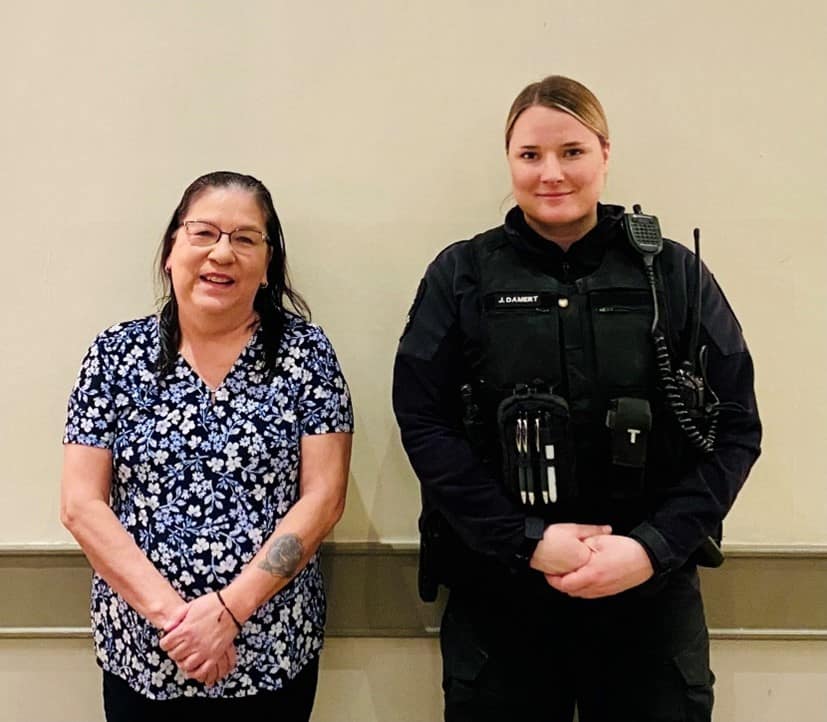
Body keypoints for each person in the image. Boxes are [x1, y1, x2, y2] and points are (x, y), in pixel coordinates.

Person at [392, 76, 761, 721]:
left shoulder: (672, 273)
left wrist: (651, 548)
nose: (551, 173)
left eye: (572, 151)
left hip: (648, 599)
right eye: (530, 155)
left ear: (605, 154)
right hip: (503, 600)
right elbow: (424, 423)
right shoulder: (462, 275)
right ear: (509, 160)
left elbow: (735, 430)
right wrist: (524, 540)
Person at [61, 171, 353, 721]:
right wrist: (179, 622)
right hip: (146, 652)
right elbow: (81, 505)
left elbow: (324, 497)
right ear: (171, 249)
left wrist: (227, 613)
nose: (223, 252)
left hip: (271, 649)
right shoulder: (114, 355)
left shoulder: (306, 355)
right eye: (203, 233)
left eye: (245, 239)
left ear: (268, 265)